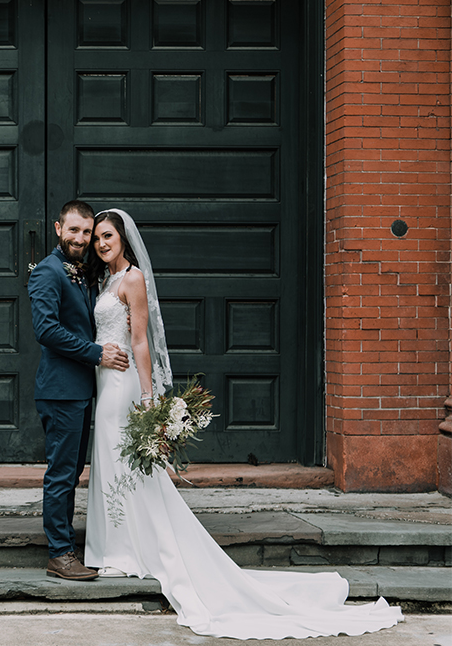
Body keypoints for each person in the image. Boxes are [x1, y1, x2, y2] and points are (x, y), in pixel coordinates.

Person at [82, 208, 404, 639]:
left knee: (129, 468)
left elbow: (141, 339)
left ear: (123, 238)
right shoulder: (104, 280)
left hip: (123, 387)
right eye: (97, 238)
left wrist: (147, 397)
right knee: (111, 464)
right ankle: (114, 547)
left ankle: (128, 552)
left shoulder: (133, 279)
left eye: (108, 236)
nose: (102, 244)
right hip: (105, 382)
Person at [27, 200, 129, 581]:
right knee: (61, 473)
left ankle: (68, 543)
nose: (82, 238)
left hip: (82, 390)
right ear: (58, 229)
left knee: (71, 472)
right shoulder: (47, 273)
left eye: (87, 232)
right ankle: (59, 553)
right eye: (75, 230)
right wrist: (97, 353)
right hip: (60, 390)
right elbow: (47, 331)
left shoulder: (83, 271)